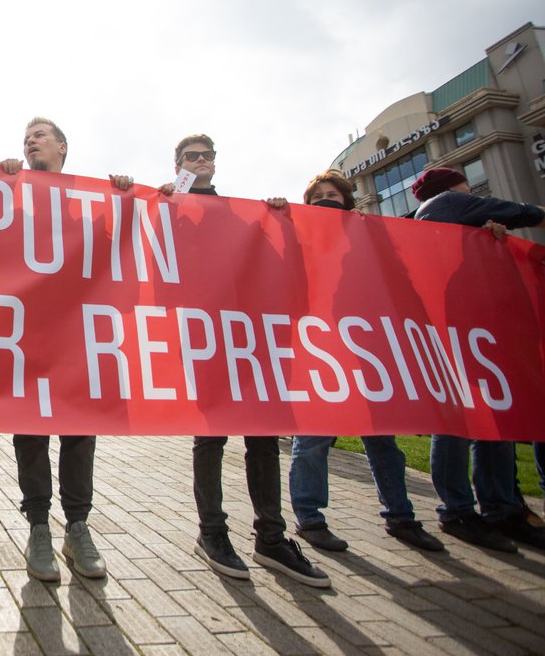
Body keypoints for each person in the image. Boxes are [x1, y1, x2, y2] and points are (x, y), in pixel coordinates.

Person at [161, 134, 330, 588]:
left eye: (207, 156)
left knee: (262, 435)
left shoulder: (241, 213)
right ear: (178, 164)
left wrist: (281, 220)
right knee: (211, 437)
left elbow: (278, 264)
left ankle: (270, 538)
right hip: (206, 337)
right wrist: (175, 187)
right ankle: (212, 533)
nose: (201, 162)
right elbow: (160, 233)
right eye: (191, 157)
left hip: (251, 337)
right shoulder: (170, 203)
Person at [0, 117, 132, 583]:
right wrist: (2, 186)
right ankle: (38, 528)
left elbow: (118, 252)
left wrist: (123, 197)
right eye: (26, 139)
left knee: (79, 432)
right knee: (30, 433)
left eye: (39, 137)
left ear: (63, 147)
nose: (30, 143)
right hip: (27, 335)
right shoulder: (10, 196)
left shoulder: (89, 203)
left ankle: (77, 527)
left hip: (77, 337)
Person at [288, 171, 444, 553]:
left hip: (368, 348)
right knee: (313, 439)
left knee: (382, 439)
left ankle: (401, 516)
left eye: (333, 194)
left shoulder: (372, 239)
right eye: (318, 196)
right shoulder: (299, 239)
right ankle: (309, 518)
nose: (326, 201)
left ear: (348, 201)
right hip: (321, 348)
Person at [412, 166, 545, 552]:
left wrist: (488, 241)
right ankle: (467, 508)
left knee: (487, 418)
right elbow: (518, 210)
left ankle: (498, 506)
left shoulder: (446, 219)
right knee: (466, 419)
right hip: (463, 329)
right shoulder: (449, 203)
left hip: (470, 328)